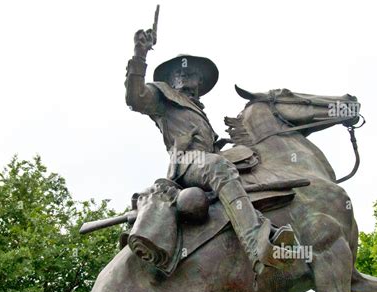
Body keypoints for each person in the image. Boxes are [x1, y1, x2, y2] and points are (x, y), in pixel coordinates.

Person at [124, 28, 294, 275]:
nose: (185, 76)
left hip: (207, 159)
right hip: (187, 163)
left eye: (190, 73)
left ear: (199, 82)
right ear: (171, 79)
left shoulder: (198, 110)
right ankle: (257, 242)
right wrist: (140, 55)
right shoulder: (162, 96)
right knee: (219, 168)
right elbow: (135, 98)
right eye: (179, 72)